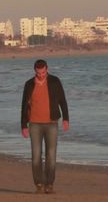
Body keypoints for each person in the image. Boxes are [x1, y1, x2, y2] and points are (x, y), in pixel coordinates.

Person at [21, 59, 69, 194]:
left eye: (43, 72)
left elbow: (62, 101)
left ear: (47, 69)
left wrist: (66, 118)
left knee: (51, 155)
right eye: (38, 73)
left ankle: (49, 184)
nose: (41, 75)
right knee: (36, 155)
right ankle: (39, 184)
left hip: (52, 123)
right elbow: (24, 105)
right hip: (34, 124)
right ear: (35, 71)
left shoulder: (55, 81)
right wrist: (23, 125)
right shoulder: (29, 84)